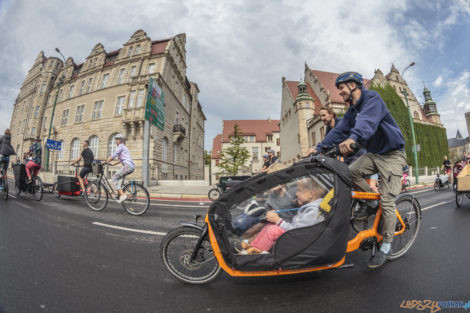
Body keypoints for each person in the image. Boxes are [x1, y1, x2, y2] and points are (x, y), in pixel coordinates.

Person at [308, 71, 406, 269]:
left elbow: (367, 122)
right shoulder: (351, 112)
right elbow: (339, 131)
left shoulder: (372, 99)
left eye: (342, 88)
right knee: (349, 173)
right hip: (375, 155)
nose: (340, 92)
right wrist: (317, 148)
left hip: (393, 154)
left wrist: (354, 138)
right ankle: (370, 201)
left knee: (387, 199)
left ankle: (386, 246)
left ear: (354, 85)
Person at [242, 177, 327, 253]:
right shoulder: (309, 207)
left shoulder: (313, 211)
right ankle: (253, 246)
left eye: (299, 190)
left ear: (311, 194)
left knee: (273, 230)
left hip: (300, 240)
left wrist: (278, 221)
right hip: (295, 234)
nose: (296, 194)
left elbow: (298, 232)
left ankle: (254, 253)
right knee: (269, 226)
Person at [105, 134, 135, 203]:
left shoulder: (121, 146)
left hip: (127, 166)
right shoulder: (124, 148)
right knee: (118, 179)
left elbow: (114, 155)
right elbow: (121, 159)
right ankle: (119, 195)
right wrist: (113, 164)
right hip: (130, 166)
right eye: (116, 139)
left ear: (121, 140)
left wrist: (105, 162)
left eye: (117, 139)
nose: (116, 141)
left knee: (114, 178)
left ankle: (123, 195)